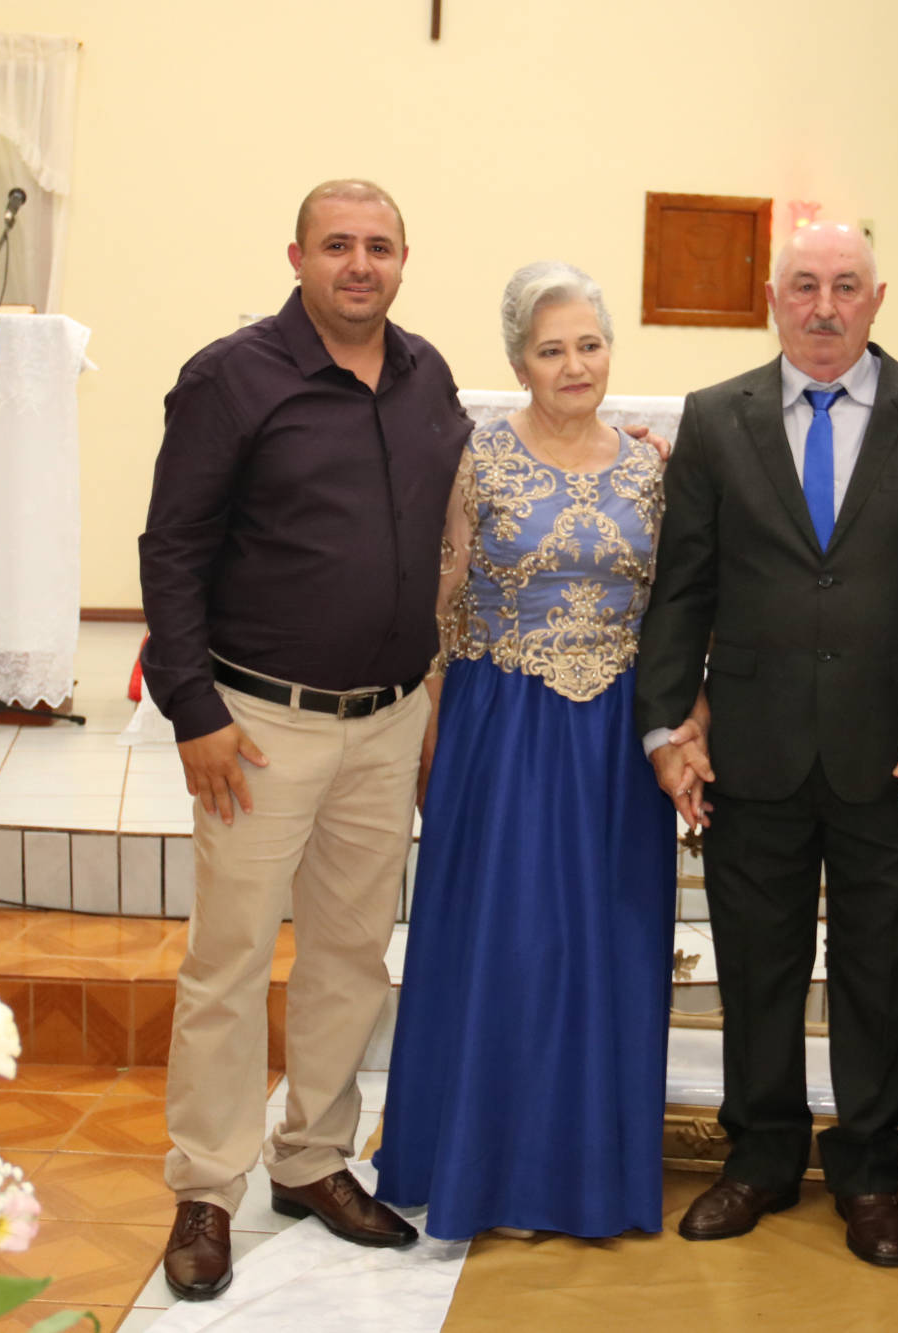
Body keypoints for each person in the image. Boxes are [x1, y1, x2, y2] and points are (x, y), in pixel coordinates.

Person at [633, 222, 898, 1268]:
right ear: (771, 298)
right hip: (753, 749)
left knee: (883, 969)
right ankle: (759, 1157)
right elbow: (682, 587)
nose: (824, 306)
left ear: (877, 300)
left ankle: (871, 1170)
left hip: (897, 754)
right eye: (803, 285)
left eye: (845, 286)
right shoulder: (716, 417)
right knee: (758, 965)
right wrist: (668, 726)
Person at [139, 180, 458, 1299]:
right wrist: (194, 710)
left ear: (404, 259)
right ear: (297, 257)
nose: (359, 264)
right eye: (337, 245)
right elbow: (172, 547)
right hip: (259, 725)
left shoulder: (426, 376)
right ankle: (206, 1185)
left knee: (351, 953)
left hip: (388, 718)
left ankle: (312, 1157)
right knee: (228, 961)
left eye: (378, 246)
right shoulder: (231, 377)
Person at [372, 262, 688, 1239]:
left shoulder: (653, 468)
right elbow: (443, 604)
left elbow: (678, 610)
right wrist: (429, 735)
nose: (574, 364)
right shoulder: (478, 459)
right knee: (507, 945)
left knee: (604, 949)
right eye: (552, 350)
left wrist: (685, 726)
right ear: (519, 363)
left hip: (616, 745)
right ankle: (483, 1168)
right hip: (502, 730)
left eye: (589, 344)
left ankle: (584, 1176)